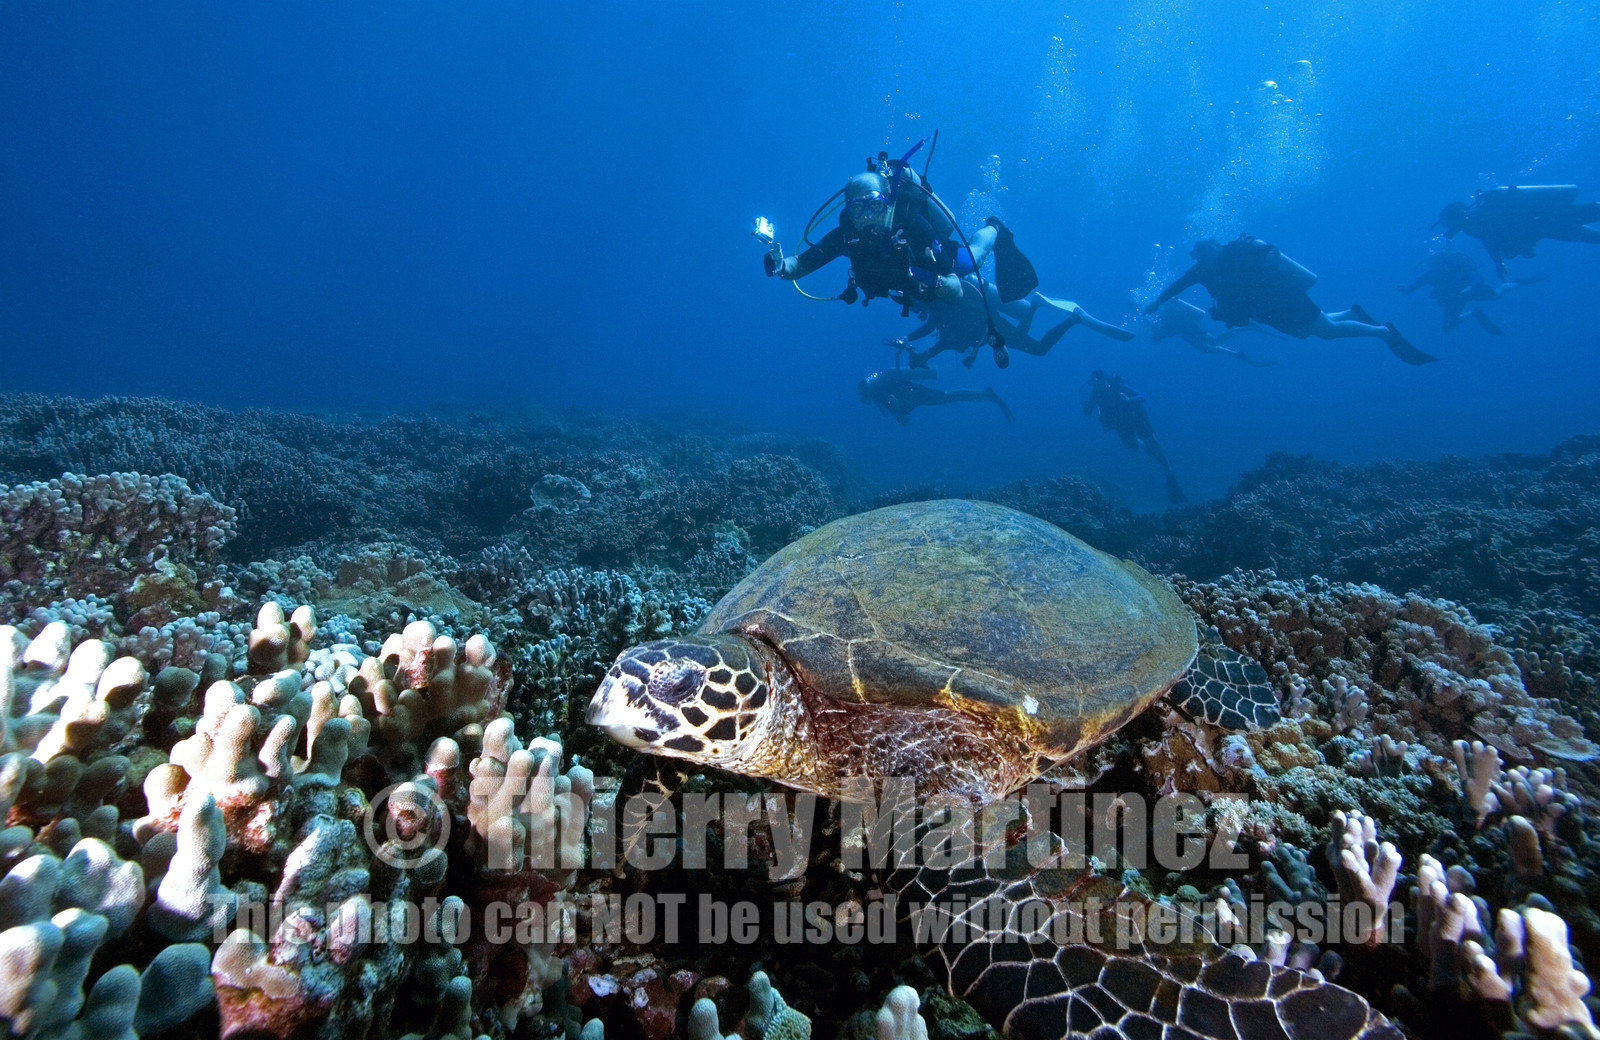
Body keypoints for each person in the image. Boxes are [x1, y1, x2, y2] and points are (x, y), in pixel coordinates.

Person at [764, 153, 1043, 365]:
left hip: (933, 265)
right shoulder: (846, 235)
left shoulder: (913, 225)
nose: (867, 217)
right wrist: (780, 266)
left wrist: (927, 277)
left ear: (887, 205)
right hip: (908, 284)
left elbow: (956, 290)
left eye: (874, 205)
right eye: (858, 209)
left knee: (974, 258)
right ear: (848, 212)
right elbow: (799, 266)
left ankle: (994, 226)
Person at [1144, 234, 1436, 365]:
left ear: (1217, 244)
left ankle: (1383, 332)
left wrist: (1276, 260)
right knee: (1305, 333)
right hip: (1265, 310)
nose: (1203, 254)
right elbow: (1178, 284)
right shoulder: (1201, 271)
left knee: (1326, 333)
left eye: (1206, 248)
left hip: (1284, 299)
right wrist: (1158, 301)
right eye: (1199, 252)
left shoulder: (1239, 252)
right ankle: (1352, 312)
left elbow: (1270, 253)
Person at [894, 276, 1135, 369]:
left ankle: (1072, 318)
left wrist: (908, 340)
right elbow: (939, 343)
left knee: (1038, 349)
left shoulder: (938, 308)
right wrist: (921, 352)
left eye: (915, 308)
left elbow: (931, 330)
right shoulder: (940, 309)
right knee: (1029, 342)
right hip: (990, 329)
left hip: (990, 326)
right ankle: (1040, 307)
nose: (917, 312)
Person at [1436, 185, 1600, 279]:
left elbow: (1491, 239)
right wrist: (1499, 262)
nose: (1450, 228)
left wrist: (1499, 262)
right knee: (1593, 228)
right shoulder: (1474, 225)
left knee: (1592, 221)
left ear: (1457, 217)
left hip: (1546, 218)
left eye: (1449, 223)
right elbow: (1490, 241)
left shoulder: (1480, 218)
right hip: (1545, 225)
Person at [1081, 371, 1185, 504]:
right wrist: (1087, 407)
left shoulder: (1118, 386)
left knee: (1152, 441)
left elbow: (1141, 396)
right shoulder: (1095, 393)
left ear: (1104, 380)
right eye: (1094, 383)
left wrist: (1129, 400)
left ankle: (1168, 470)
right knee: (1133, 447)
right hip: (1120, 423)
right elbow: (1088, 411)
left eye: (1099, 381)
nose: (1097, 385)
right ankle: (1145, 445)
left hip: (1137, 416)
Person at [1397, 250, 1540, 334]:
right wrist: (1406, 289)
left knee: (1496, 295)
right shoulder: (1431, 274)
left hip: (1469, 291)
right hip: (1455, 298)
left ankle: (1513, 284)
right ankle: (1474, 313)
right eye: (1434, 264)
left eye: (1439, 263)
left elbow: (1475, 279)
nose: (1436, 266)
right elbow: (1414, 286)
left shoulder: (1459, 267)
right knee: (1448, 327)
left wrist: (1470, 288)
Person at [858, 366, 1014, 425]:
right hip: (915, 395)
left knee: (949, 396)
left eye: (862, 396)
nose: (863, 399)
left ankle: (985, 394)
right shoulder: (877, 390)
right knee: (949, 397)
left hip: (916, 394)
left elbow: (892, 399)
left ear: (866, 391)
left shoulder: (878, 392)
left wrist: (900, 416)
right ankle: (984, 394)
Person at [1148, 298, 1274, 367]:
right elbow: (1159, 337)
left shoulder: (1164, 319)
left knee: (1213, 341)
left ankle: (1246, 327)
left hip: (1188, 328)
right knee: (1206, 348)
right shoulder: (1163, 320)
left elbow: (1159, 337)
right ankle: (1236, 352)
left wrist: (1155, 334)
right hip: (1186, 331)